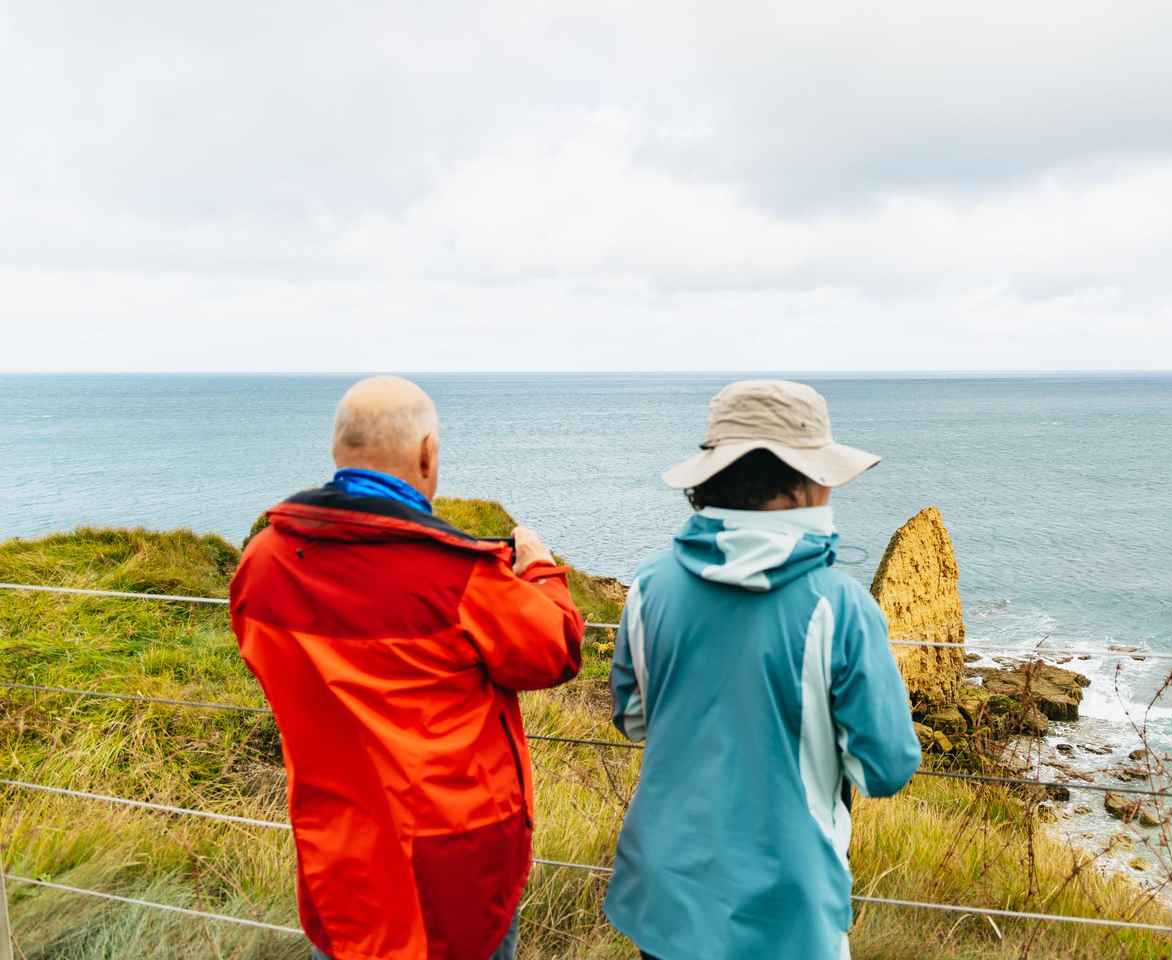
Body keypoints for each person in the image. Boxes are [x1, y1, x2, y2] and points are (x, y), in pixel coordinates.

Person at [230, 375, 584, 960]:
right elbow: (556, 651)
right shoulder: (458, 576)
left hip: (339, 848)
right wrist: (541, 571)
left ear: (338, 452)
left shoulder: (262, 562)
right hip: (453, 863)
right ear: (427, 454)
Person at [605, 379, 922, 960]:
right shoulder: (840, 605)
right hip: (788, 908)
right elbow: (885, 768)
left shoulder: (650, 588)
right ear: (797, 482)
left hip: (666, 895)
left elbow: (633, 720)